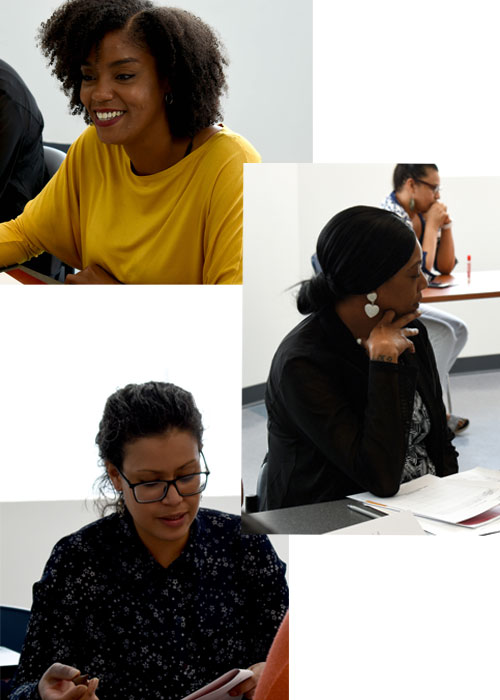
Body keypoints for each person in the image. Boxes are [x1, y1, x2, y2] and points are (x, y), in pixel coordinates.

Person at [8, 381, 288, 700]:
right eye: (151, 482)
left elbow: (285, 657)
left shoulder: (242, 545)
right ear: (116, 475)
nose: (175, 499)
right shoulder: (78, 561)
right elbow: (25, 686)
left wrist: (271, 674)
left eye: (187, 475)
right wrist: (43, 695)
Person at [0, 0, 260, 284]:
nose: (99, 94)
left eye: (124, 76)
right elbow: (25, 235)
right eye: (89, 77)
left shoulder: (232, 164)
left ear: (169, 80)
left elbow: (231, 315)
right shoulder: (95, 147)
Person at [260, 206, 459, 511]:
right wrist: (383, 364)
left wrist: (457, 504)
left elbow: (441, 442)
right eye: (412, 273)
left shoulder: (410, 329)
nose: (423, 282)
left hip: (425, 506)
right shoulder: (302, 364)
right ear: (370, 287)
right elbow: (378, 477)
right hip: (332, 512)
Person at [381, 164, 469, 433]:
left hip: (405, 302)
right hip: (383, 307)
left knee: (459, 330)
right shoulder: (392, 216)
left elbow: (444, 267)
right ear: (411, 184)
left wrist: (447, 226)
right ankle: (429, 412)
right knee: (443, 333)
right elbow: (422, 274)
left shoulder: (418, 213)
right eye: (433, 188)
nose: (437, 196)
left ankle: (431, 406)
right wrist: (431, 227)